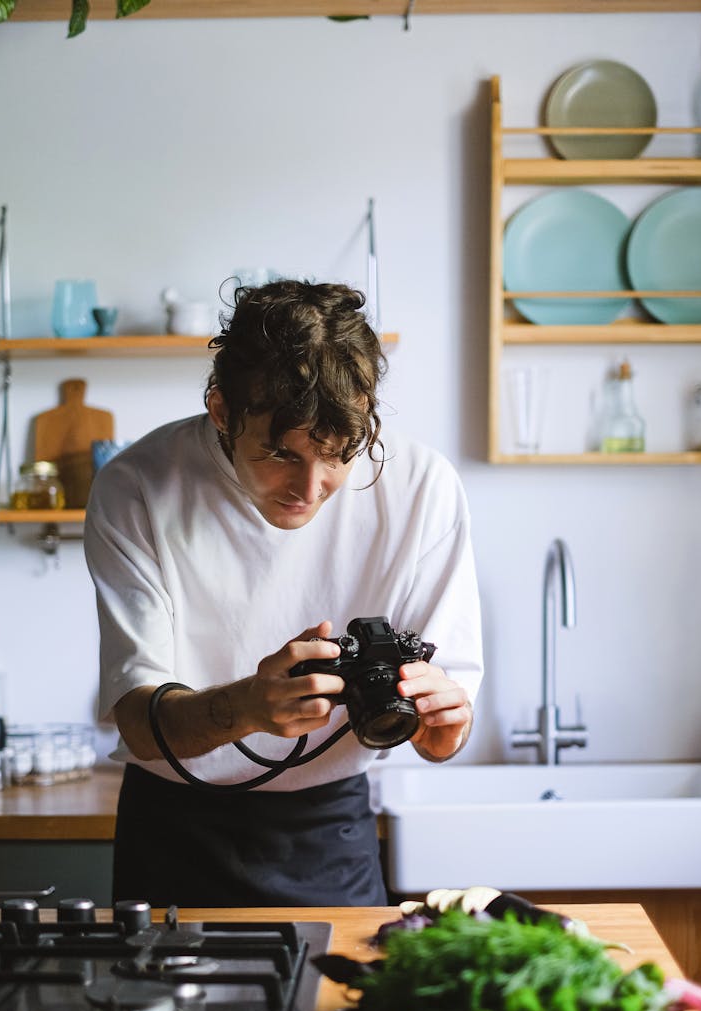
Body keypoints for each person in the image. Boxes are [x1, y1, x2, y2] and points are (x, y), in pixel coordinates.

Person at [84, 279, 483, 908]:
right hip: (172, 831)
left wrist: (442, 725)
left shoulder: (423, 487)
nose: (310, 486)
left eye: (339, 454)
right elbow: (137, 721)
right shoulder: (137, 485)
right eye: (279, 452)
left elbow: (443, 735)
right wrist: (246, 706)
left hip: (331, 829)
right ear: (221, 409)